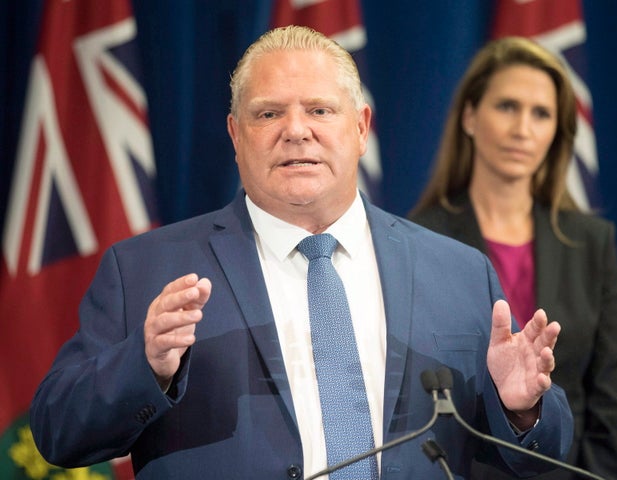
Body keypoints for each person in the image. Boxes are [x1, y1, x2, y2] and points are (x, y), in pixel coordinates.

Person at [30, 26, 573, 479]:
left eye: (319, 109)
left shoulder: (458, 271)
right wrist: (143, 367)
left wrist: (520, 408)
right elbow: (57, 433)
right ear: (235, 134)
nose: (296, 132)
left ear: (360, 128)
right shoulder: (145, 269)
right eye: (268, 115)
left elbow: (545, 453)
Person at [409, 37, 617, 479]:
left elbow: (610, 402)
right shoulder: (417, 238)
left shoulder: (592, 242)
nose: (523, 129)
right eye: (507, 106)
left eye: (541, 114)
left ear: (558, 132)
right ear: (470, 117)